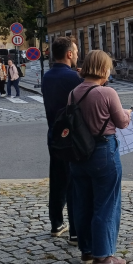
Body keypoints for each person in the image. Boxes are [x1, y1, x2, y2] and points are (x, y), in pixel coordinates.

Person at [69, 49, 132, 264]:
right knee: (106, 203)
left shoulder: (74, 93)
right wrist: (127, 114)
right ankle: (103, 256)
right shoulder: (107, 93)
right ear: (103, 69)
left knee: (83, 203)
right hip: (103, 151)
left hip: (78, 153)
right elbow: (121, 122)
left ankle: (87, 250)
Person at [42, 36, 82, 239]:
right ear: (69, 54)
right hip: (73, 137)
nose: (77, 55)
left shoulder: (47, 76)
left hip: (54, 134)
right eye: (76, 52)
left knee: (57, 180)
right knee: (74, 182)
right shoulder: (74, 78)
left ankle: (56, 223)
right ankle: (75, 231)